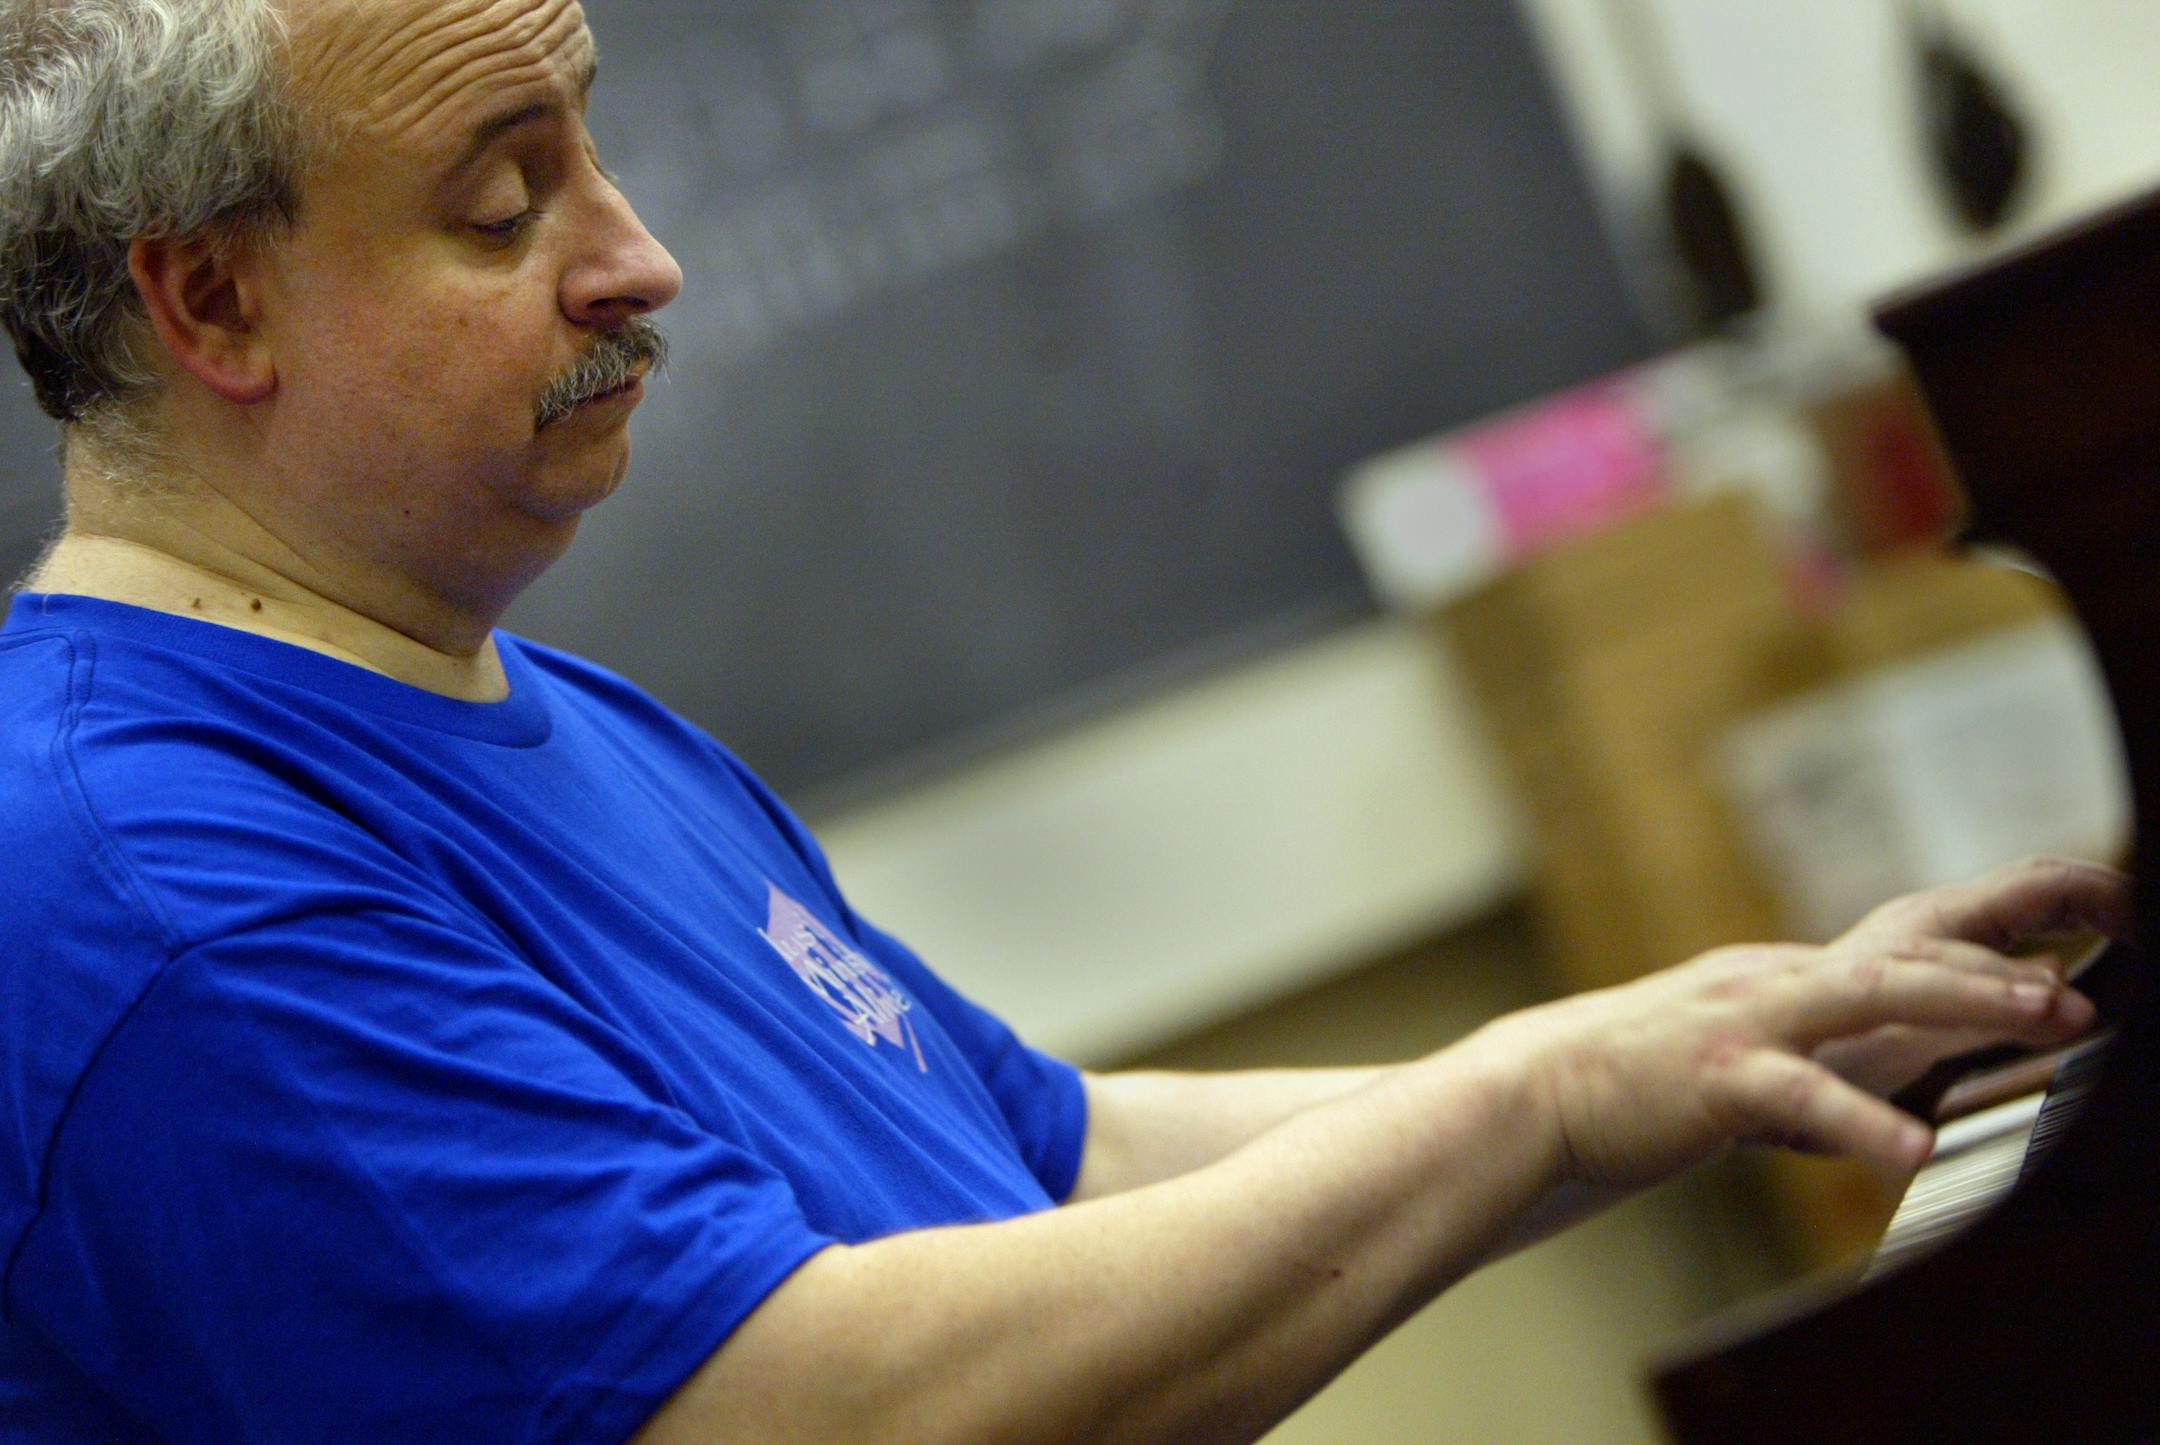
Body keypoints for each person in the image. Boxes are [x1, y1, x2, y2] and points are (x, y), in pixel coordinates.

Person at [0, 0, 2124, 1440]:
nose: (637, 258)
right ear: (207, 302)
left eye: (592, 154)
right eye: (499, 200)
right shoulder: (157, 885)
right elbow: (819, 1410)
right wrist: (1538, 1106)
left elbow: (1036, 1150)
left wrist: (1701, 1045)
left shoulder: (529, 698)